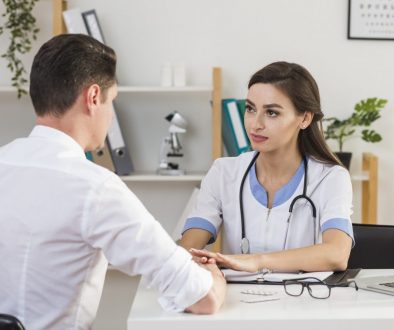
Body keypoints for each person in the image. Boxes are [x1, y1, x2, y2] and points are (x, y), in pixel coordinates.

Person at [0, 34, 225, 330]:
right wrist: (214, 277)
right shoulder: (95, 187)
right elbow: (201, 297)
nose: (110, 116)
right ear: (93, 97)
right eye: (112, 101)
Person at [180, 61, 354, 273]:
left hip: (304, 301)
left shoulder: (330, 178)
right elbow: (188, 249)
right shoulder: (223, 172)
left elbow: (337, 254)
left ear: (305, 118)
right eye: (251, 109)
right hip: (238, 301)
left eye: (272, 113)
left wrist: (257, 261)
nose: (255, 124)